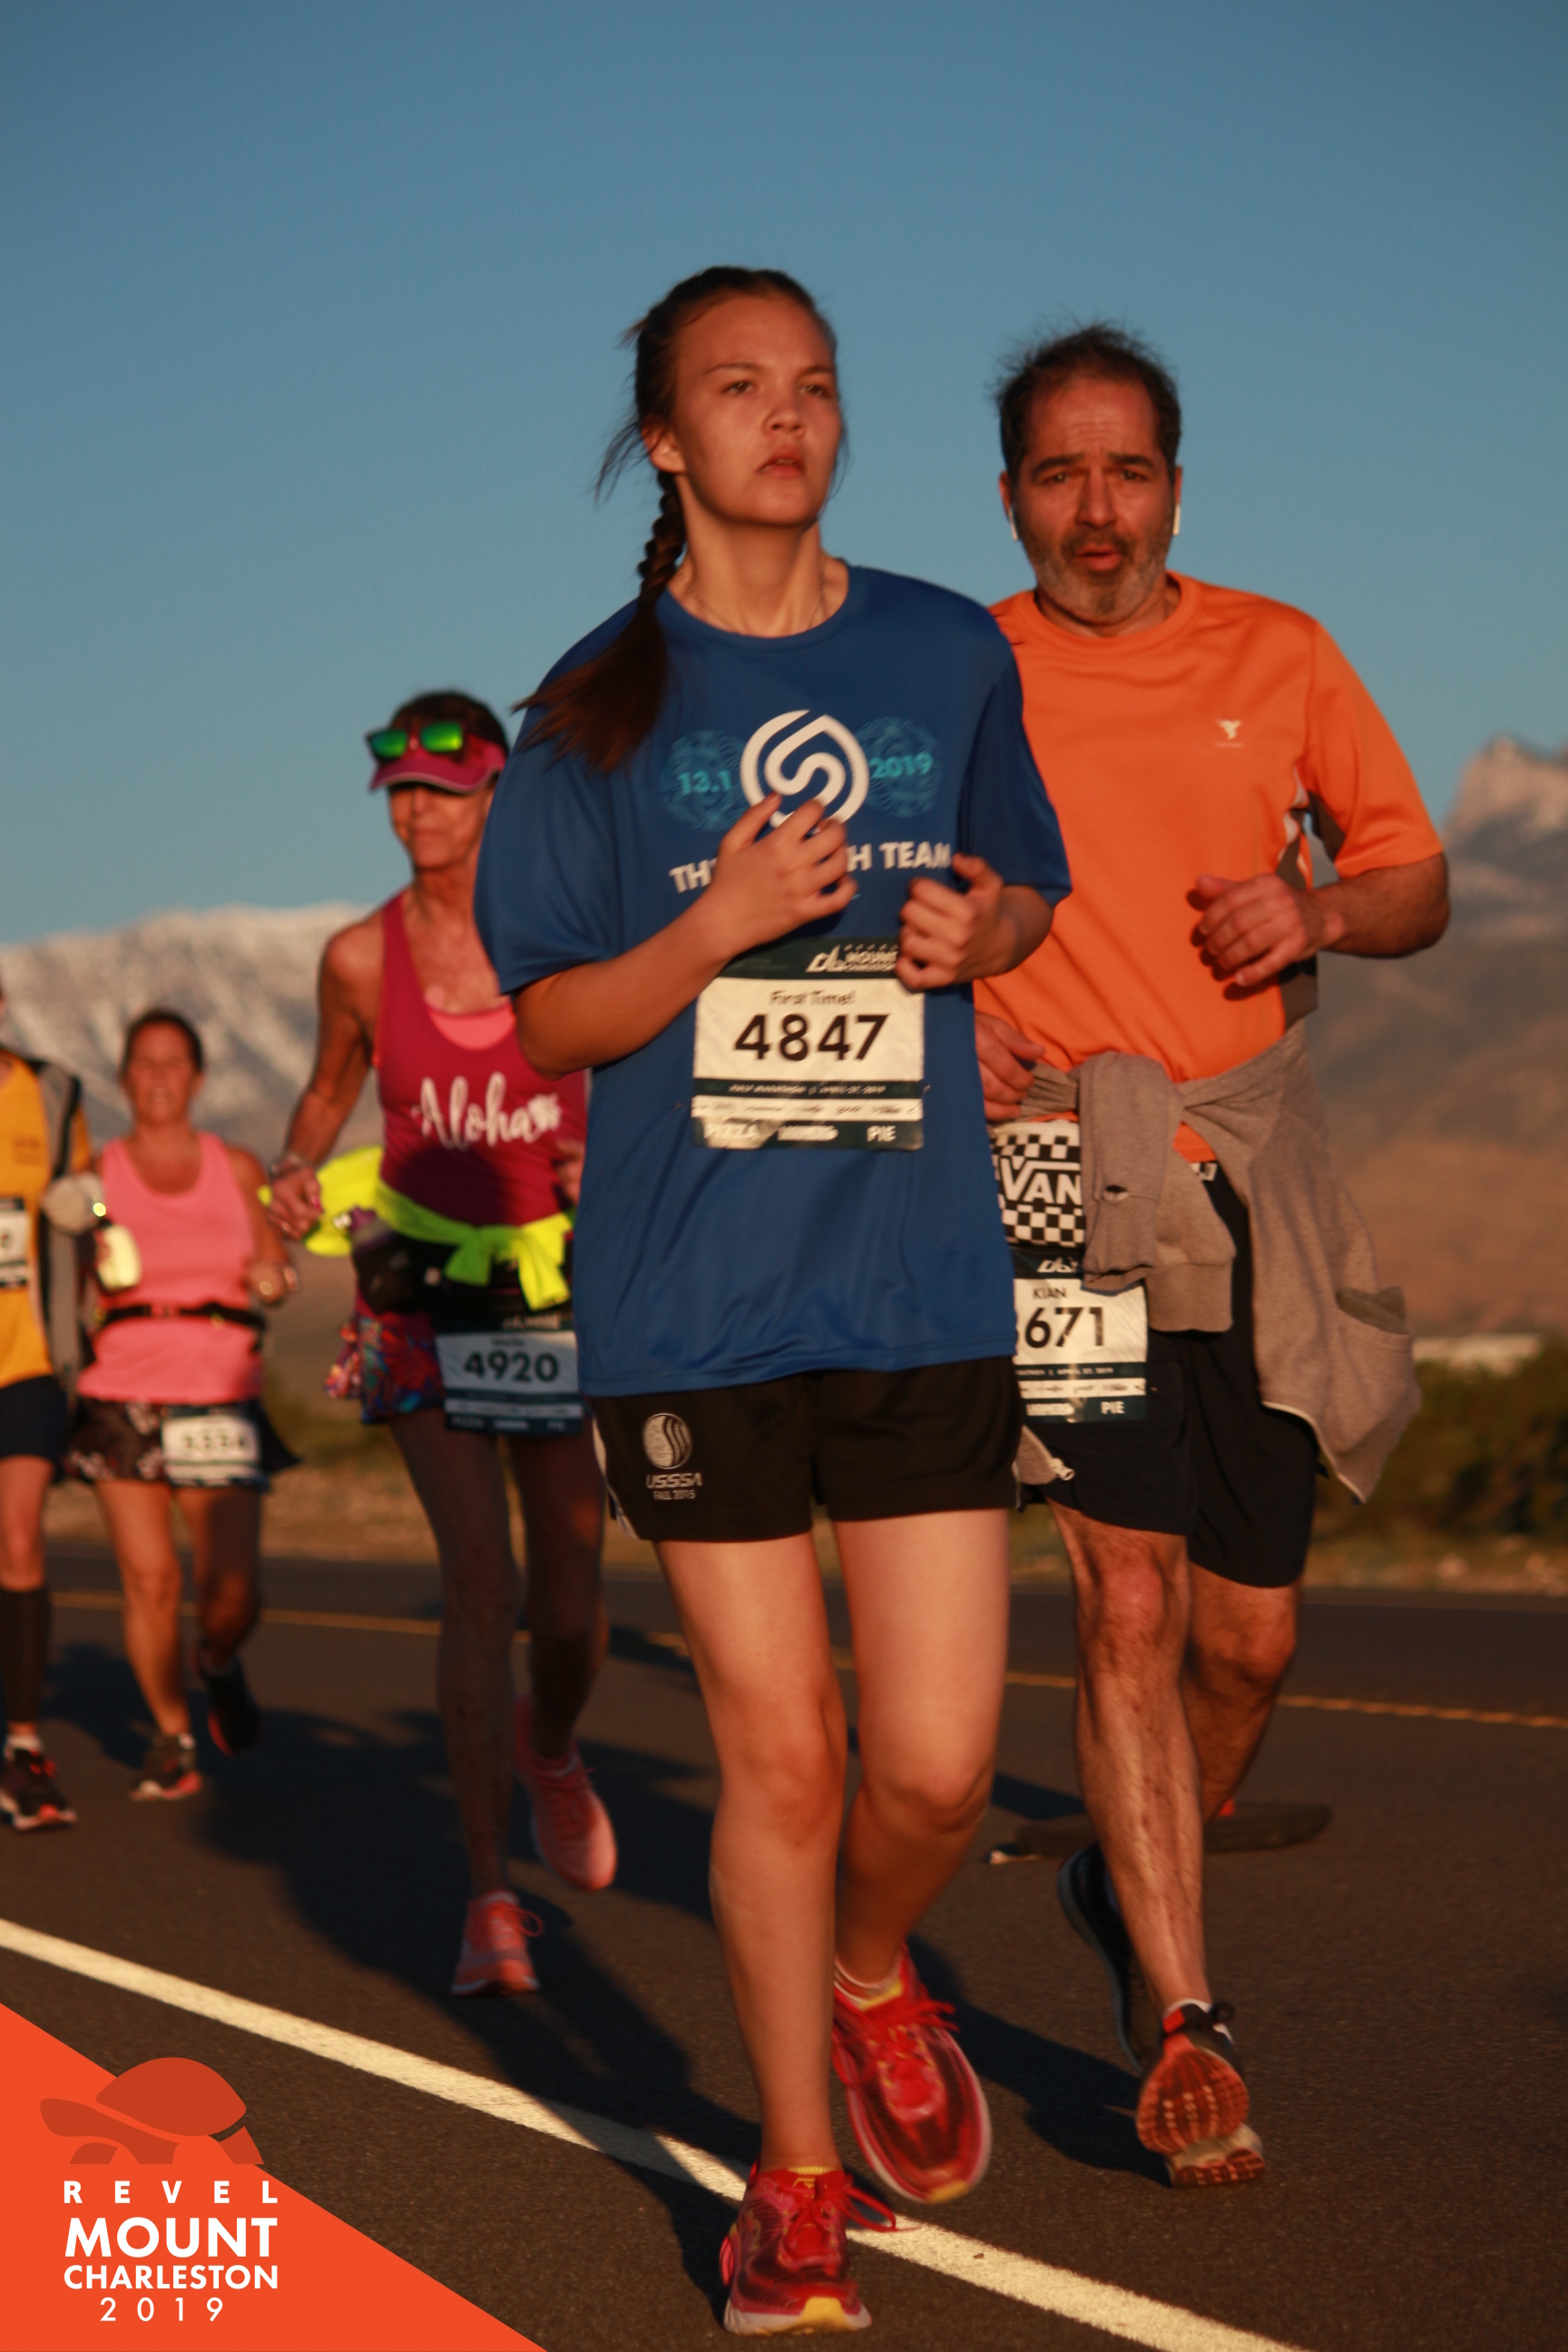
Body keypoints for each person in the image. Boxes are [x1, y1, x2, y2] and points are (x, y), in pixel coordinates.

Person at [476, 265, 1070, 2335]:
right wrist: (719, 917)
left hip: (912, 1275)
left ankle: (867, 1971)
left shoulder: (942, 647)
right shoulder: (591, 709)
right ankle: (790, 2180)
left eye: (811, 383)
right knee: (785, 1757)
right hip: (690, 1301)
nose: (784, 416)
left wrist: (979, 932)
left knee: (935, 1768)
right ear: (664, 438)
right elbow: (551, 1017)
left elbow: (1020, 883)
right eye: (735, 388)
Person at [977, 323, 1448, 2186]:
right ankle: (1185, 2012)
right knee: (1127, 1600)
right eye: (1058, 474)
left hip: (1252, 1167)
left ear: (1175, 485)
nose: (1095, 509)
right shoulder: (961, 674)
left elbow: (1412, 877)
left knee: (1248, 1636)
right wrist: (946, 1018)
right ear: (1010, 496)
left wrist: (1316, 903)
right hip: (1054, 1171)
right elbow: (860, 896)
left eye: (1127, 471)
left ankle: (1128, 1866)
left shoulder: (1280, 653)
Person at [266, 689, 613, 2002]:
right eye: (401, 792)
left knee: (570, 1594)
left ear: (495, 795)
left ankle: (553, 1745)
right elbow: (328, 1083)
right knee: (482, 1580)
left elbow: (636, 1064)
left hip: (550, 1284)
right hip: (413, 1285)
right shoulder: (360, 957)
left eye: (443, 791)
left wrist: (604, 1154)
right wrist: (296, 1168)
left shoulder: (566, 931)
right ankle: (488, 1896)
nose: (417, 812)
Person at [63, 1009, 296, 1797]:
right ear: (123, 1077)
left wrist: (273, 1280)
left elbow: (277, 1268)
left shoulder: (236, 1166)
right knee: (150, 1580)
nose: (158, 1077)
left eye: (173, 1063)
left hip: (220, 1392)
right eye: (144, 1062)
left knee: (232, 1595)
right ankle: (172, 1736)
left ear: (197, 1078)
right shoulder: (95, 1176)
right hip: (121, 1389)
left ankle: (217, 1660)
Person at [0, 969, 91, 1830]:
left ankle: (23, 1749)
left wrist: (86, 1207)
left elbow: (89, 1196)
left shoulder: (53, 1093)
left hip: (29, 1359)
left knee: (20, 1539)